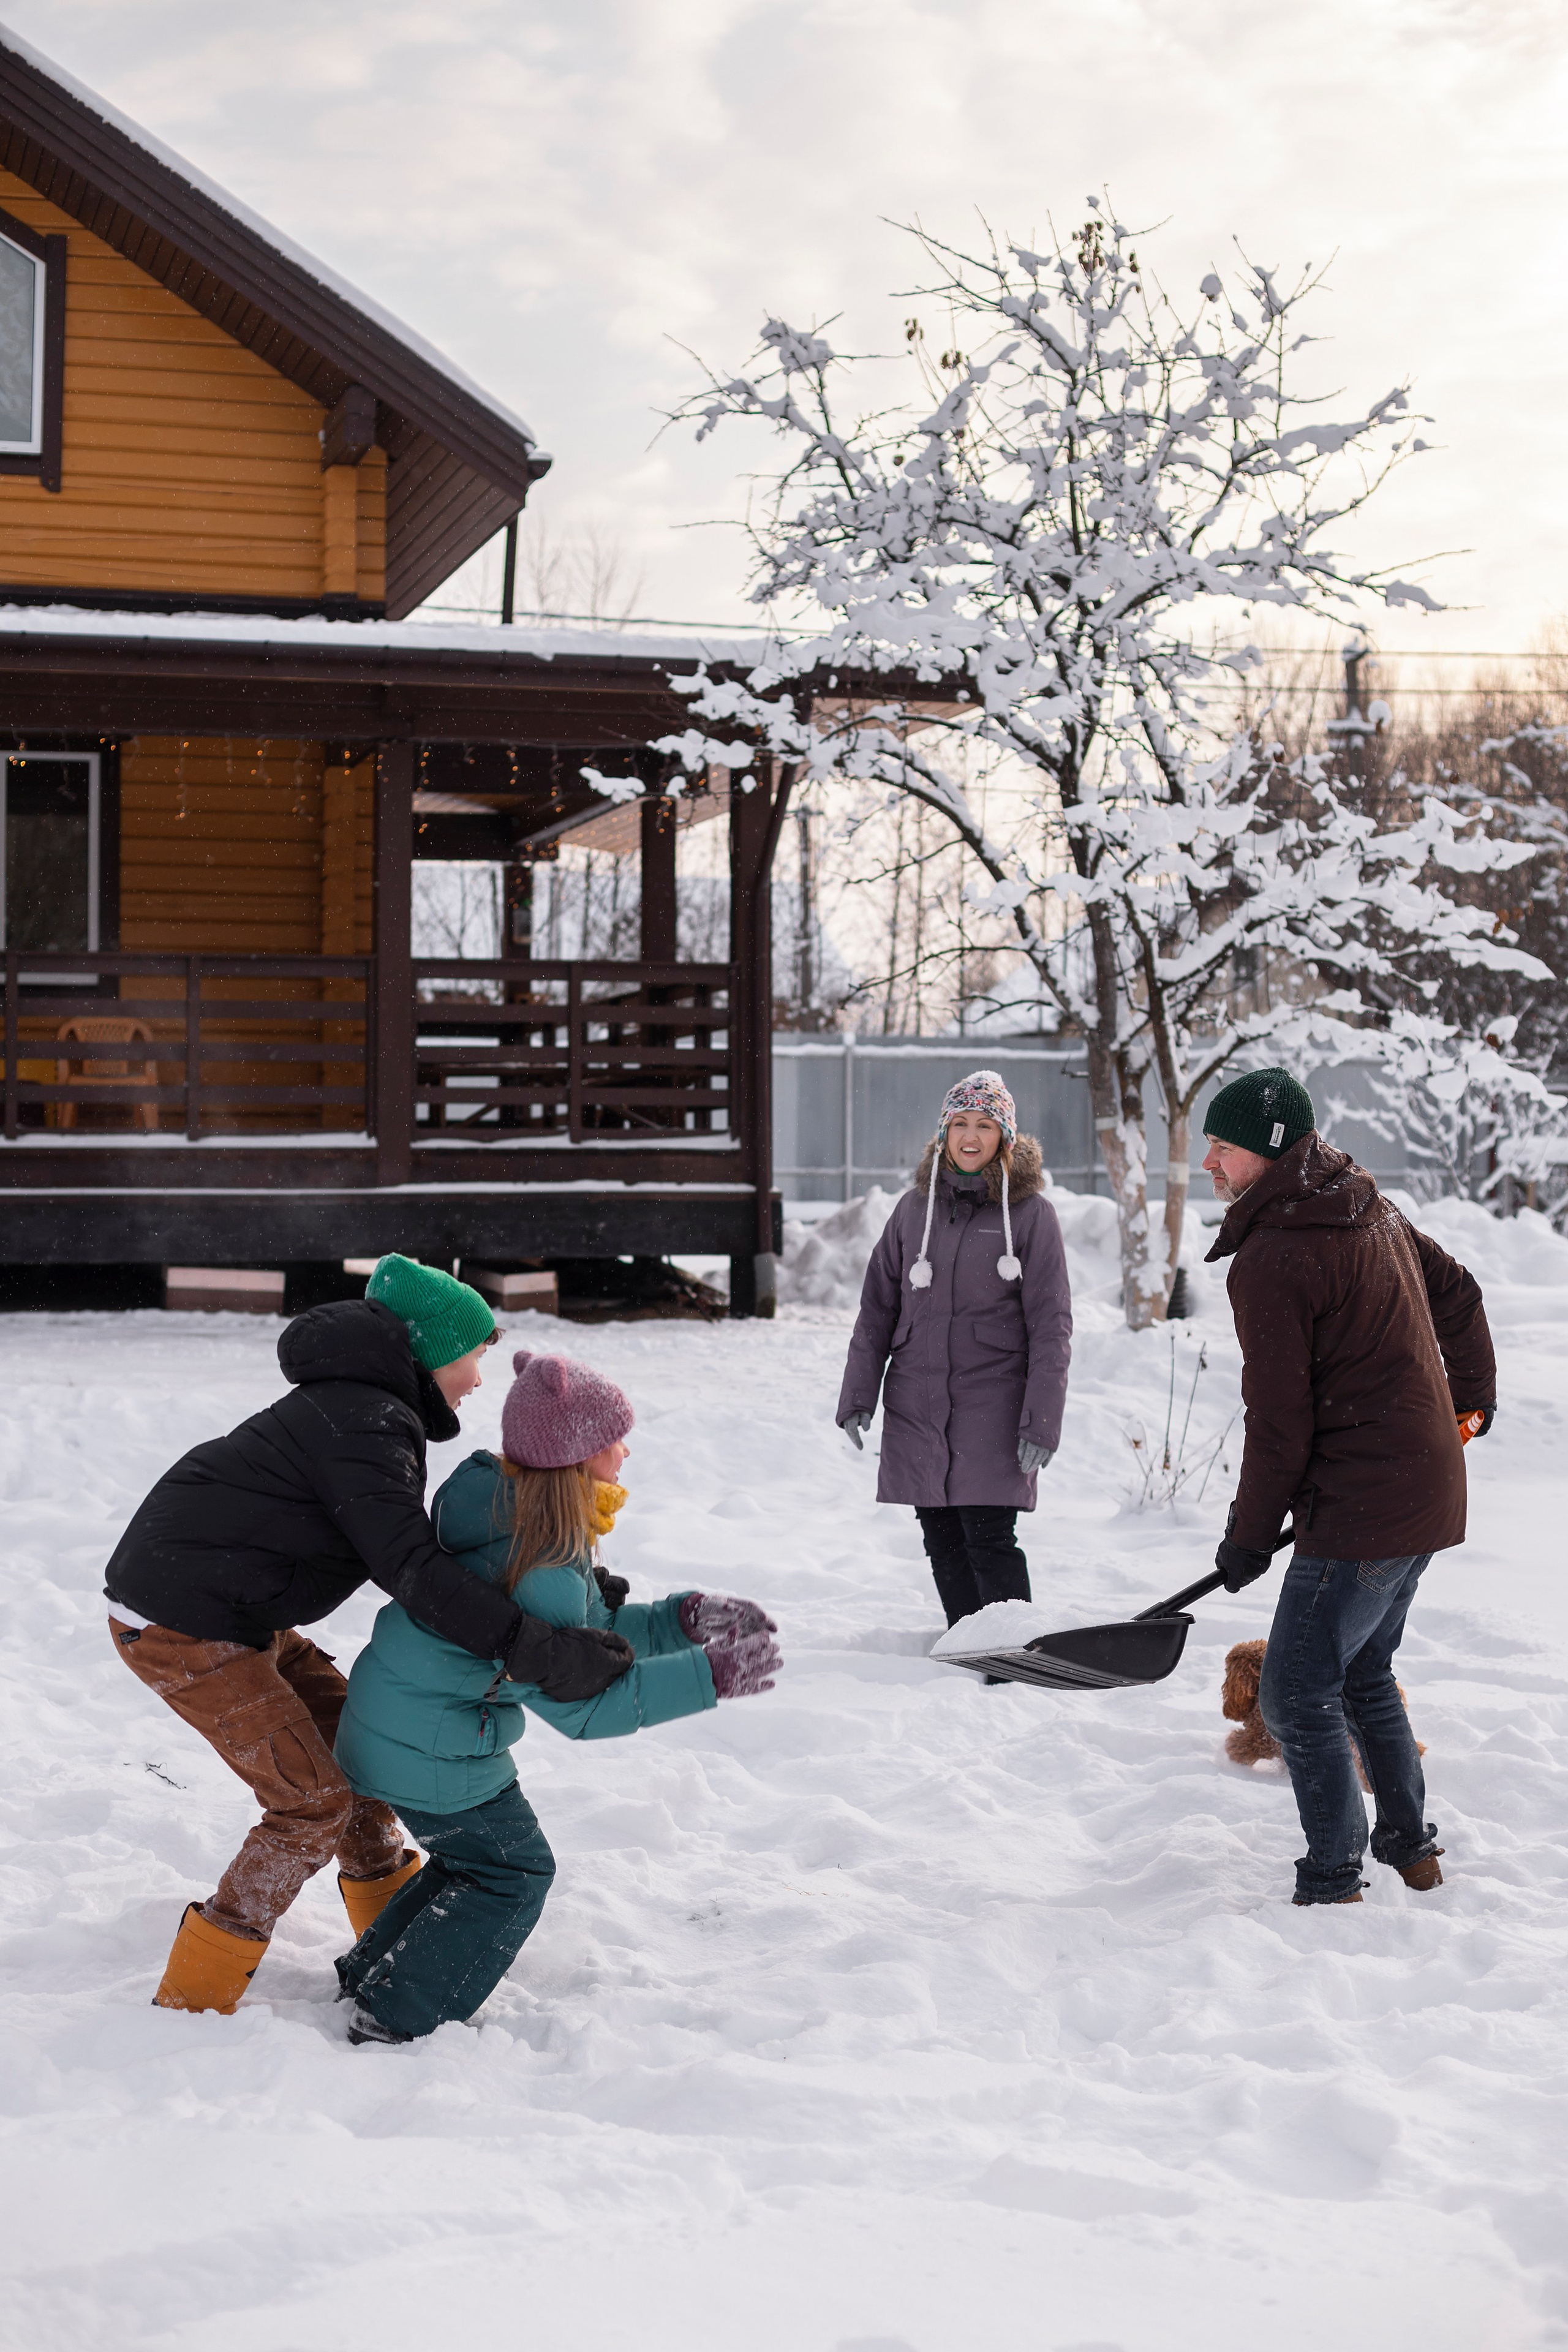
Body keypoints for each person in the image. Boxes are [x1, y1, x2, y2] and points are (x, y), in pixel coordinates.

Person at [105, 1255, 635, 2016]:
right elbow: (411, 1565)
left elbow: (420, 1553)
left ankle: (386, 1952)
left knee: (356, 1754)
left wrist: (561, 1592)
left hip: (233, 1612)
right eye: (473, 1354)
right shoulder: (364, 1419)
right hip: (180, 1623)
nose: (479, 1378)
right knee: (310, 1801)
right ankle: (196, 1996)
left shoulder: (368, 1410)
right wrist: (536, 1647)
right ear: (430, 1350)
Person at [331, 1349, 782, 2043]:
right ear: (577, 1458)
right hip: (432, 1746)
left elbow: (585, 1636)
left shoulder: (502, 1515)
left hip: (392, 1723)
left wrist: (677, 1621)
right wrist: (709, 1676)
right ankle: (396, 2014)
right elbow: (586, 1706)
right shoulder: (540, 1564)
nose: (626, 1452)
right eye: (614, 1440)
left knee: (472, 1861)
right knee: (514, 1872)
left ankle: (372, 1974)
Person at [1202, 1067, 1497, 1907]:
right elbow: (1461, 1292)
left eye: (1221, 1149)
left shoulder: (1276, 1255)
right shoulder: (1360, 1200)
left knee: (1296, 1694)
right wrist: (1471, 1398)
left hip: (1365, 1507)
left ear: (1263, 1153)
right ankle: (1411, 1849)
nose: (1210, 1166)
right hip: (1425, 1486)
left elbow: (1280, 1423)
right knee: (1364, 1671)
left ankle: (1333, 1876)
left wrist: (1250, 1533)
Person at [835, 1070, 1072, 1631]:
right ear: (943, 1134)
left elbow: (1051, 1326)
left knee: (989, 1537)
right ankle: (968, 1649)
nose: (970, 1135)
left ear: (1005, 1138)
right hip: (918, 1402)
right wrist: (857, 1394)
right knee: (940, 1537)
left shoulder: (1032, 1217)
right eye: (959, 1123)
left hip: (993, 1405)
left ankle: (1010, 1658)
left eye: (984, 1125)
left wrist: (1042, 1423)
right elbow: (876, 1311)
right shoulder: (913, 1210)